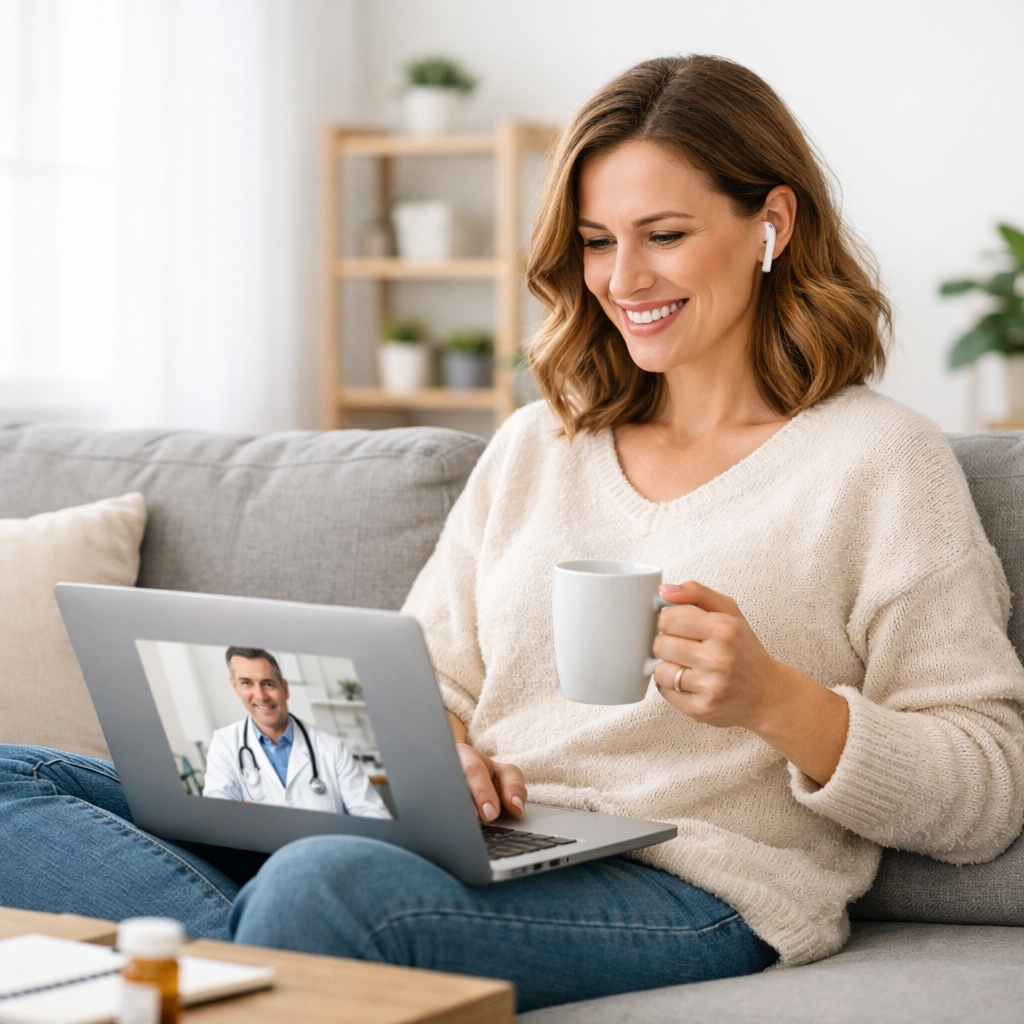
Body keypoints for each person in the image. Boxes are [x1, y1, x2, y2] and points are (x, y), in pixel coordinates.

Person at [0, 54, 1022, 1012]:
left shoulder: (880, 461)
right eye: (594, 240)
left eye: (662, 233)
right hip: (474, 841)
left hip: (692, 883)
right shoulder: (542, 442)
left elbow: (985, 791)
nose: (622, 279)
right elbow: (427, 682)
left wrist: (783, 704)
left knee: (325, 887)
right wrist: (438, 751)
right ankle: (265, 964)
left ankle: (246, 959)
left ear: (772, 223)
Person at [201, 647, 390, 819]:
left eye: (268, 684)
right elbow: (218, 818)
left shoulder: (331, 748)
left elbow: (374, 815)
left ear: (285, 688)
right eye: (246, 683)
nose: (260, 695)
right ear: (235, 687)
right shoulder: (224, 743)